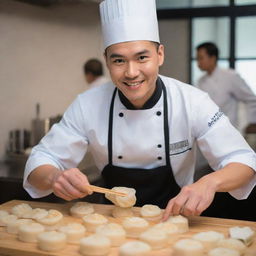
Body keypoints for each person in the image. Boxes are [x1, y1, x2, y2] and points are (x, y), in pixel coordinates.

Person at [23, 0, 256, 221]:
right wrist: (55, 177)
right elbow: (41, 160)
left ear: (160, 55)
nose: (131, 72)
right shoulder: (87, 105)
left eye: (142, 57)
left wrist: (209, 183)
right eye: (119, 61)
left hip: (176, 221)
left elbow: (244, 160)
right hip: (110, 224)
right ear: (106, 61)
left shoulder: (192, 101)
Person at [196, 42, 256, 129]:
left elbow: (251, 99)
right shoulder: (201, 81)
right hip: (208, 131)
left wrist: (252, 122)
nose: (198, 62)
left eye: (201, 58)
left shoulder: (230, 76)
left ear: (212, 58)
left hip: (230, 129)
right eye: (197, 59)